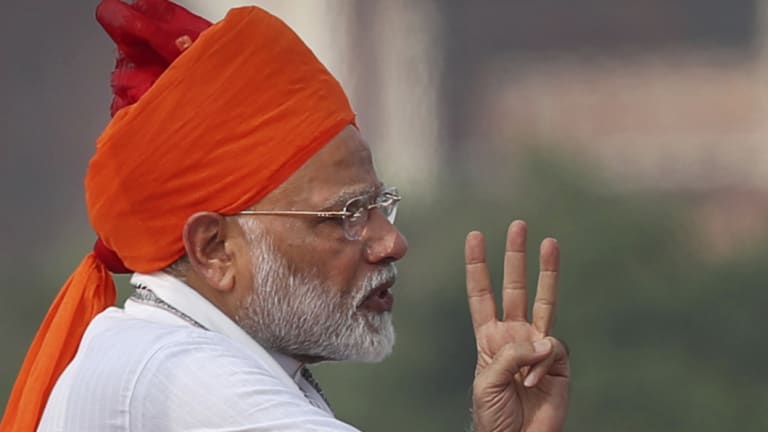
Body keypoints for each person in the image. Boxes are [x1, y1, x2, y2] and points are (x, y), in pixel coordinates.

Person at [0, 1, 570, 431]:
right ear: (215, 250)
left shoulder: (171, 357)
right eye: (348, 213)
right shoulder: (174, 373)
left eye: (379, 205)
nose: (391, 241)